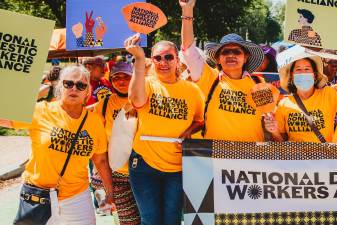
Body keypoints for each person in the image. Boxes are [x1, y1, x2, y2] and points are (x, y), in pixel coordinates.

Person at [5, 65, 113, 225]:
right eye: (68, 83)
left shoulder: (94, 122)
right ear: (60, 86)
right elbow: (4, 118)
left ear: (87, 92)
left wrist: (110, 191)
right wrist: (32, 94)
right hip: (38, 196)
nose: (74, 88)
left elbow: (101, 160)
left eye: (81, 85)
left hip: (77, 198)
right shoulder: (41, 110)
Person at [124, 33, 204, 225]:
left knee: (172, 221)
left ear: (177, 60)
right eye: (158, 58)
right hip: (143, 164)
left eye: (168, 57)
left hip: (177, 167)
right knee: (150, 221)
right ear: (152, 60)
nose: (163, 62)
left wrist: (189, 132)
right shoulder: (147, 84)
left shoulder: (192, 91)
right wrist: (139, 60)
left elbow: (200, 120)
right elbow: (136, 101)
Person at [180, 0, 267, 142]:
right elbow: (188, 49)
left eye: (236, 52)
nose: (231, 55)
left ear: (245, 58)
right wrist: (187, 12)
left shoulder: (259, 82)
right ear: (218, 59)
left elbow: (268, 118)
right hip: (215, 157)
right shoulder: (209, 78)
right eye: (225, 52)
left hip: (252, 159)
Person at [263, 46, 337, 143]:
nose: (303, 73)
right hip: (296, 157)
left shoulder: (328, 94)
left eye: (307, 69)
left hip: (324, 156)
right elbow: (280, 143)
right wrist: (274, 132)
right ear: (292, 75)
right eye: (298, 69)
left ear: (315, 75)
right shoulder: (283, 104)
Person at [92, 62, 140, 224]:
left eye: (126, 76)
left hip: (146, 171)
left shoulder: (144, 99)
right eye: (116, 77)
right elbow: (98, 143)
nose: (121, 81)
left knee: (151, 217)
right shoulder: (104, 104)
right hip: (117, 174)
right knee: (128, 220)